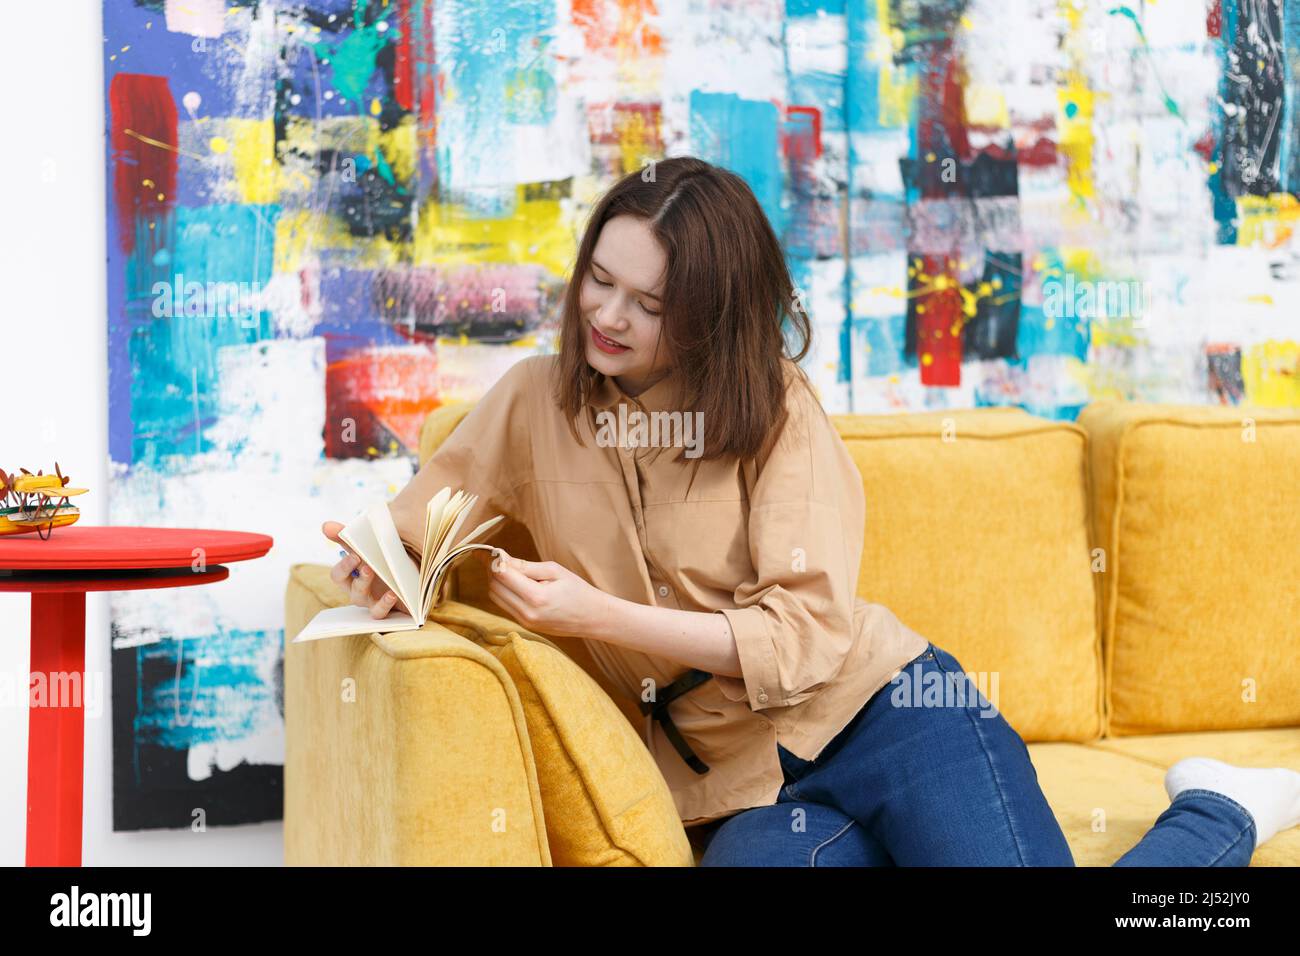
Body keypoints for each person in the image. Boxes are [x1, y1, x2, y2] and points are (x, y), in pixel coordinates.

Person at [320, 156, 1300, 866]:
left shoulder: (772, 405)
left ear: (706, 311)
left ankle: (1213, 811)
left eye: (648, 303)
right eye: (599, 281)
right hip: (733, 779)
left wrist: (595, 616)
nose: (606, 317)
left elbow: (802, 634)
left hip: (890, 713)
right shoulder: (534, 400)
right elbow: (422, 520)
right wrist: (373, 561)